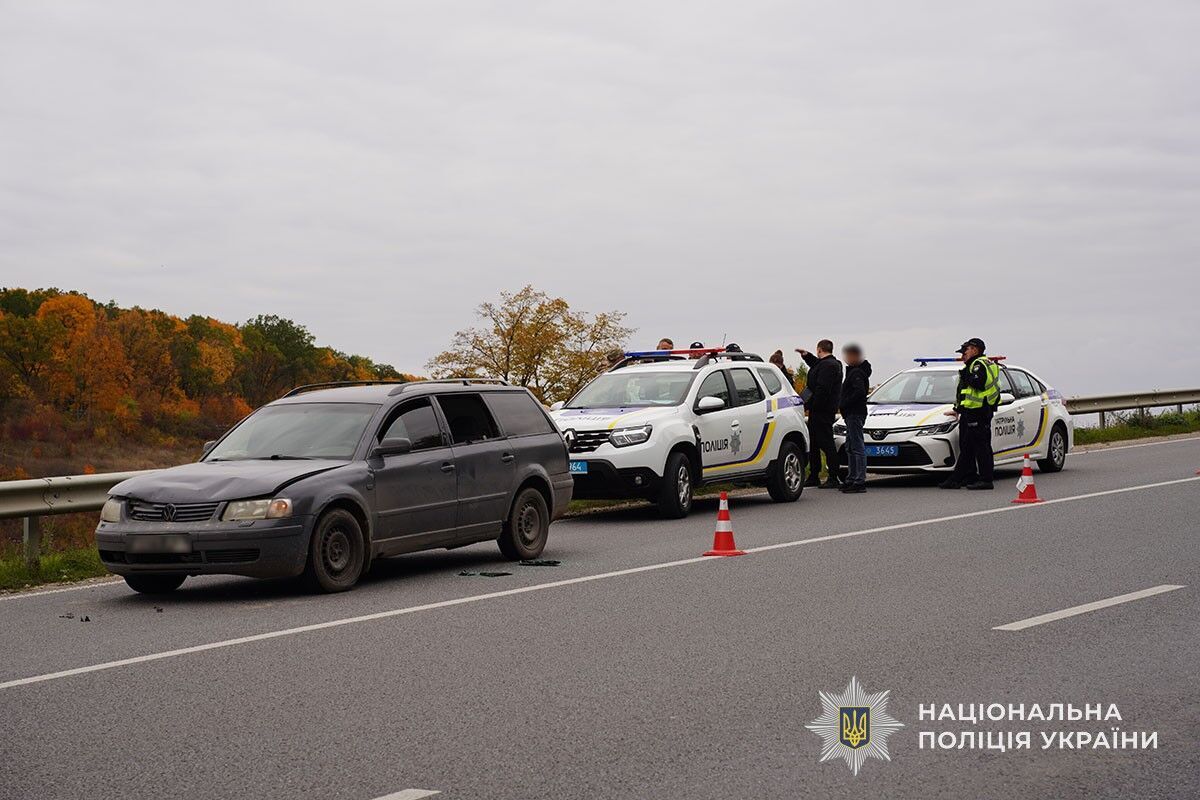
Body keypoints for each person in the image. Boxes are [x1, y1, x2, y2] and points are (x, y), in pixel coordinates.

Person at [940, 337, 1001, 490]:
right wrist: (958, 410)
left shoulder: (978, 365)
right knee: (968, 446)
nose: (963, 356)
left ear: (974, 350)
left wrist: (965, 374)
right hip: (973, 411)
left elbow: (978, 384)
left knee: (981, 447)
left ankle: (985, 479)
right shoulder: (983, 364)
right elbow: (966, 393)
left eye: (965, 351)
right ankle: (961, 478)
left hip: (978, 411)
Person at [796, 340, 843, 488]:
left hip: (822, 411)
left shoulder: (828, 366)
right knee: (814, 443)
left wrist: (810, 405)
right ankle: (814, 475)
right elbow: (817, 365)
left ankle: (833, 476)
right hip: (819, 410)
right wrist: (806, 356)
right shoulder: (828, 364)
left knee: (826, 444)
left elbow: (822, 390)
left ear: (819, 349)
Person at [838, 344, 872, 494]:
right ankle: (851, 478)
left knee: (857, 447)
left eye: (848, 355)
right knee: (850, 446)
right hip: (851, 414)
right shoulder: (854, 372)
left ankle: (859, 480)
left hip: (854, 413)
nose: (846, 358)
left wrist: (844, 403)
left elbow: (859, 392)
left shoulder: (857, 373)